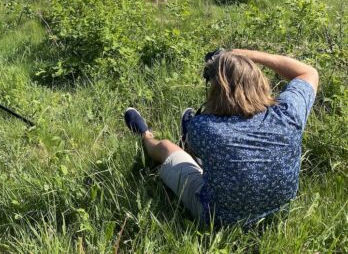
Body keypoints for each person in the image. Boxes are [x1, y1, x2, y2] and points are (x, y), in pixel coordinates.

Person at [124, 49, 318, 226]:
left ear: (217, 90)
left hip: (220, 219)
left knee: (166, 148)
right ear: (259, 81)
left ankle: (145, 134)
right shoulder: (289, 113)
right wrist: (246, 55)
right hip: (278, 212)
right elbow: (309, 73)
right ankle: (189, 141)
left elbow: (212, 118)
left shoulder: (205, 127)